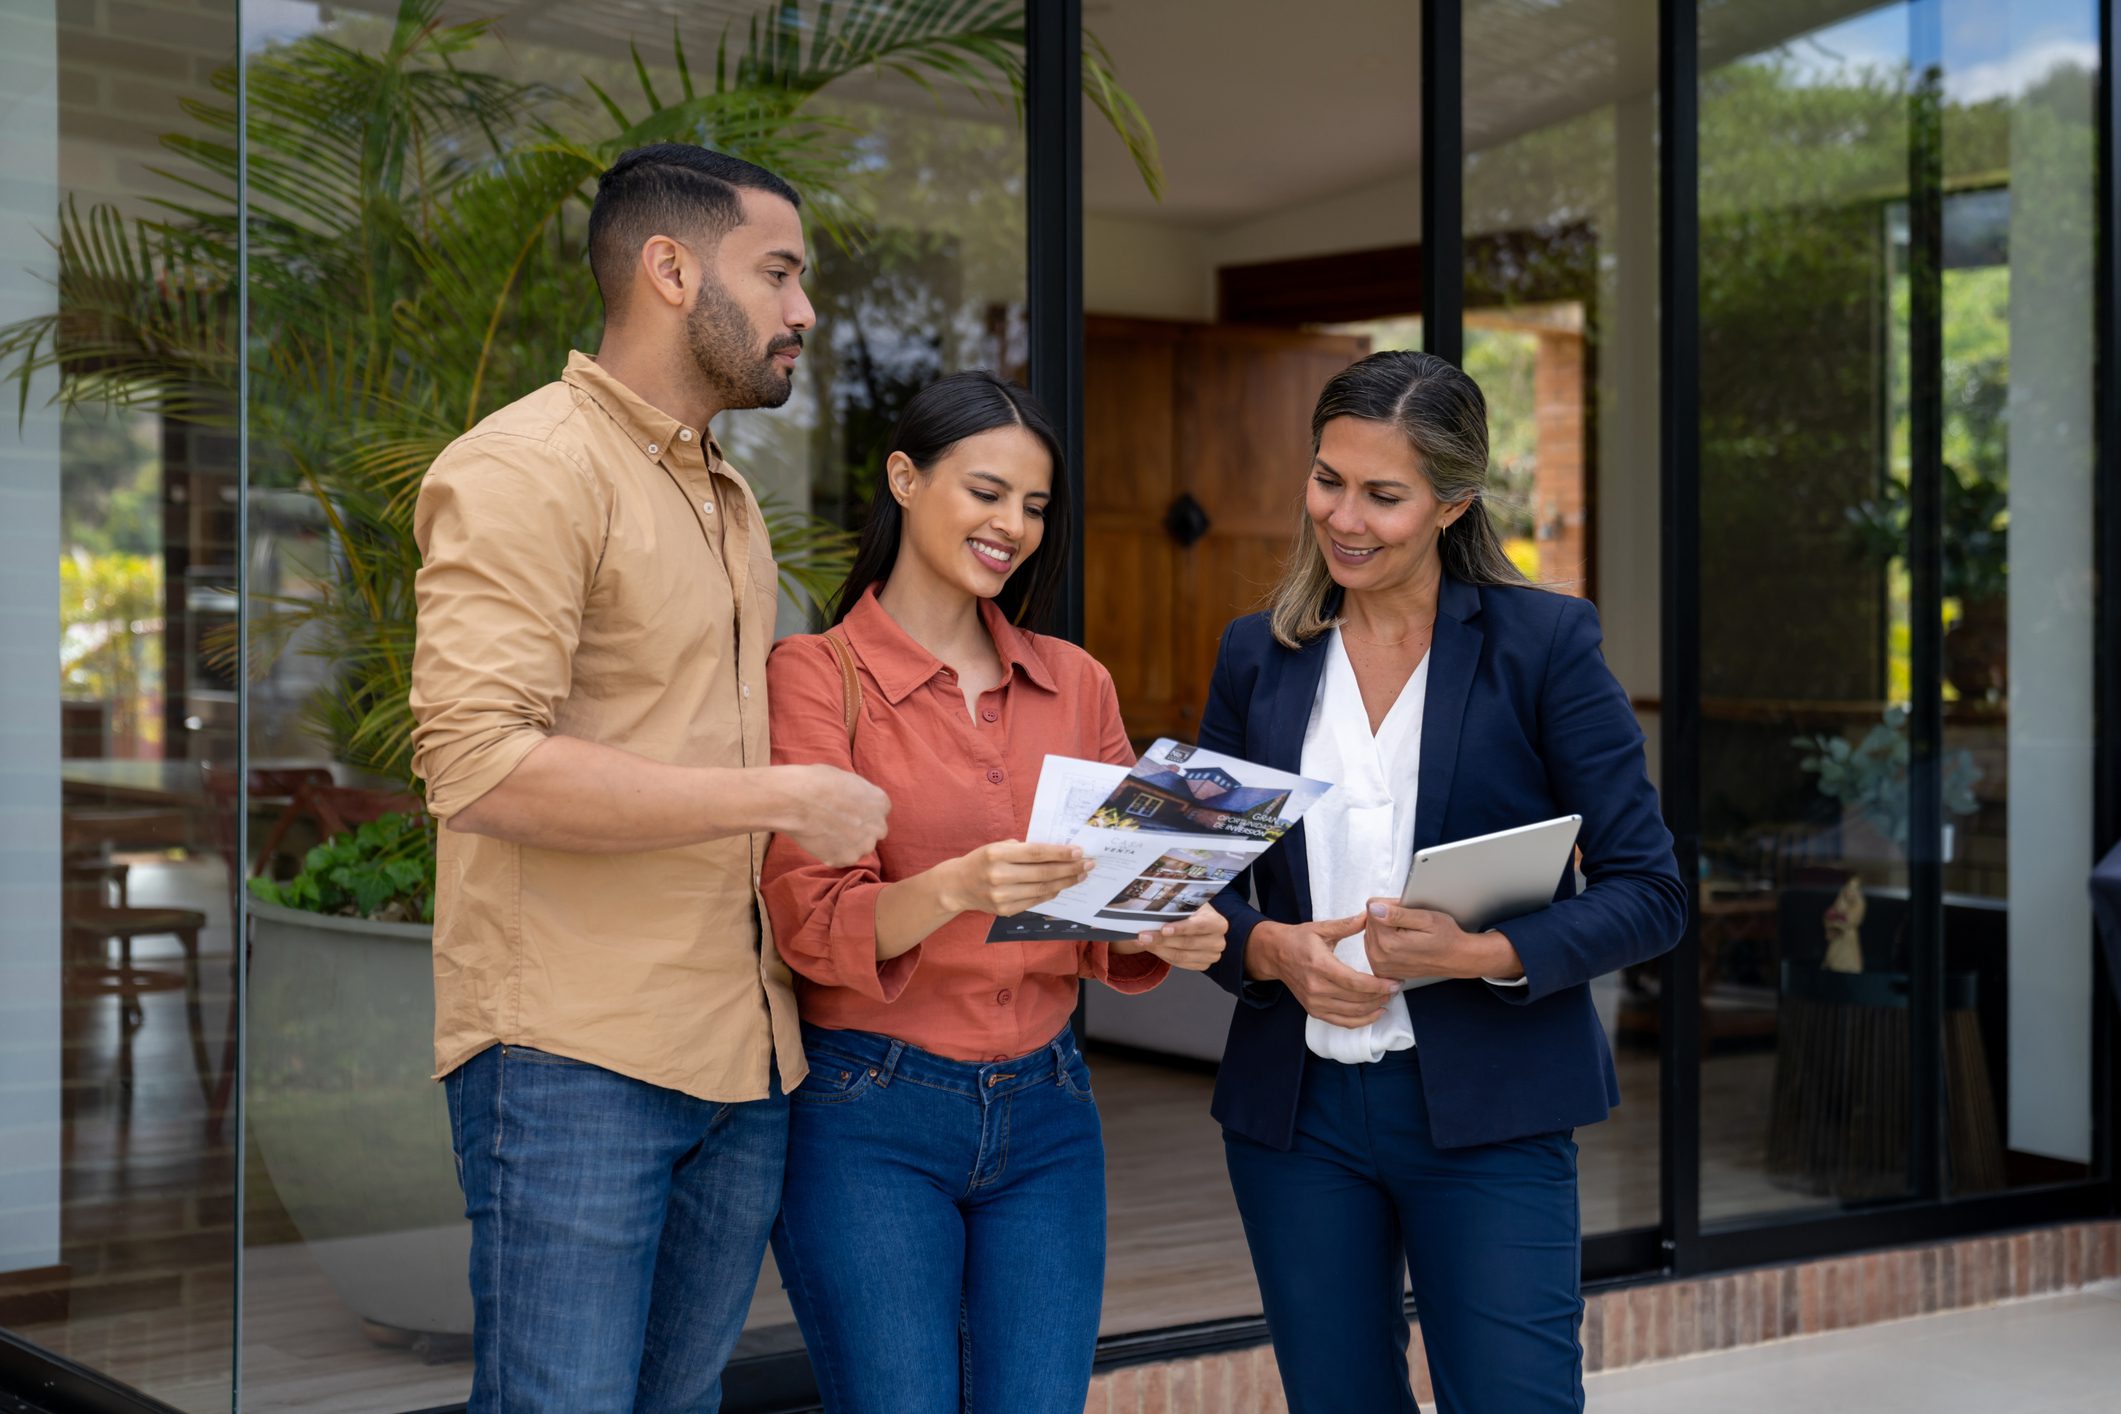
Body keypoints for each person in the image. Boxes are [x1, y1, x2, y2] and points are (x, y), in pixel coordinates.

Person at [408, 144, 890, 1414]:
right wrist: (782, 797)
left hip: (743, 1060)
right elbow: (477, 761)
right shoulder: (525, 468)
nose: (804, 311)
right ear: (671, 270)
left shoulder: (725, 490)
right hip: (573, 1056)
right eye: (779, 273)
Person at [1196, 350, 1686, 1413]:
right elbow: (1206, 888)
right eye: (1329, 480)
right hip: (1299, 1119)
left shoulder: (1544, 644)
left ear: (1454, 501)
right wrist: (1267, 950)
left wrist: (1479, 953)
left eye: (1385, 495)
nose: (1346, 518)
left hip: (1490, 1113)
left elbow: (1651, 889)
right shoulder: (1257, 655)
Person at [760, 371, 1228, 1414]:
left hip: (1049, 1110)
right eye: (985, 492)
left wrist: (1177, 920)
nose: (1011, 525)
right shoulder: (812, 673)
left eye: (1033, 504)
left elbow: (1107, 906)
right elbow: (807, 918)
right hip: (869, 1112)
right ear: (904, 479)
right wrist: (952, 888)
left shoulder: (1078, 682)